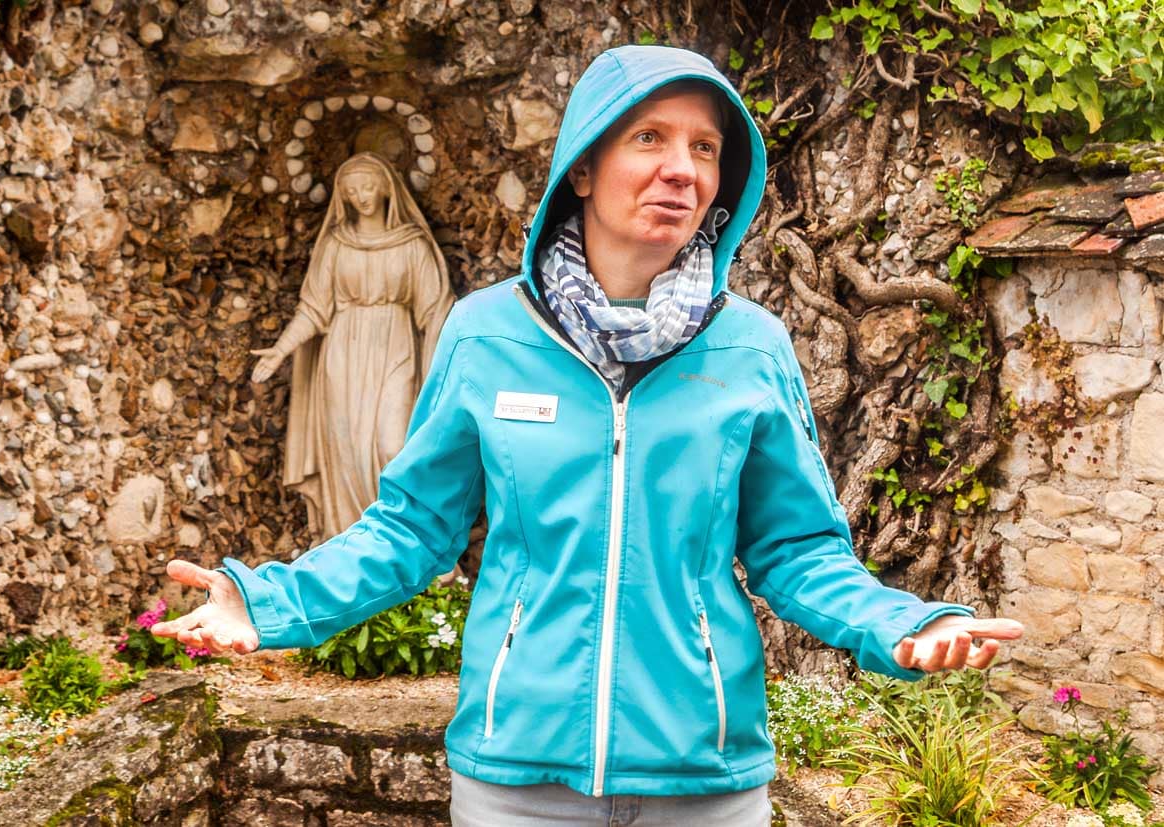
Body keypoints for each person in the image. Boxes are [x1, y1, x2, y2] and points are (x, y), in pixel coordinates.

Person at [151, 45, 1024, 826]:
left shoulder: (750, 344)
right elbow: (411, 529)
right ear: (582, 166)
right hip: (516, 786)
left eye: (705, 147)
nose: (681, 168)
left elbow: (797, 550)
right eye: (649, 137)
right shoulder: (486, 334)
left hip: (707, 785)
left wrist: (901, 624)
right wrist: (269, 604)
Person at [249, 152, 454, 541]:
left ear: (386, 189)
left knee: (393, 444)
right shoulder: (336, 245)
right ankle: (348, 546)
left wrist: (451, 362)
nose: (361, 196)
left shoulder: (412, 246)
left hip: (395, 349)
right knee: (343, 451)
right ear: (341, 196)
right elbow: (313, 309)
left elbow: (437, 311)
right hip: (342, 355)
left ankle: (406, 544)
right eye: (352, 189)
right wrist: (280, 350)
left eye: (368, 186)